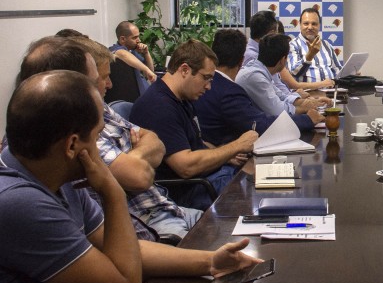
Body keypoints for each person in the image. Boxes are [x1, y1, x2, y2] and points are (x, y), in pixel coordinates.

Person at [0, 70, 263, 283]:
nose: (101, 146)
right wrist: (112, 191)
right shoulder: (20, 204)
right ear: (73, 145)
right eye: (99, 135)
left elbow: (128, 248)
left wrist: (209, 262)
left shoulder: (51, 173)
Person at [71, 37, 203, 239]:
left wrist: (132, 156)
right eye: (103, 77)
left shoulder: (103, 109)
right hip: (148, 221)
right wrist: (139, 157)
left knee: (226, 227)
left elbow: (155, 141)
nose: (110, 84)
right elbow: (139, 177)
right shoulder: (81, 132)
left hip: (166, 207)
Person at [129, 40, 258, 210]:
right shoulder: (159, 106)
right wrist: (236, 146)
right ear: (184, 70)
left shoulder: (180, 99)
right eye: (206, 78)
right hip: (191, 191)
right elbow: (186, 167)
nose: (209, 86)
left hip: (206, 180)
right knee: (264, 193)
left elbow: (195, 145)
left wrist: (224, 155)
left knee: (268, 181)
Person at [195, 29, 322, 146]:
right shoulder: (229, 91)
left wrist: (303, 104)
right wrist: (307, 120)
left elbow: (280, 96)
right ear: (241, 60)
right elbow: (260, 124)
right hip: (229, 160)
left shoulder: (207, 84)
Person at [237, 33, 331, 117]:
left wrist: (314, 102)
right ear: (283, 60)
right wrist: (305, 108)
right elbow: (278, 111)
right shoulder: (255, 77)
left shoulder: (260, 70)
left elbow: (281, 96)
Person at [287, 8, 343, 83]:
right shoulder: (293, 45)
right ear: (300, 25)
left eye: (314, 24)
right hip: (307, 93)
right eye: (306, 23)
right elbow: (294, 72)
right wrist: (310, 55)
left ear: (319, 25)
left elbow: (337, 70)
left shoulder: (326, 45)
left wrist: (349, 75)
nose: (310, 27)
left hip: (331, 91)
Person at [109, 21, 157, 91]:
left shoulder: (132, 51)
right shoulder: (114, 49)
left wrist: (146, 53)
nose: (139, 40)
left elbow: (151, 71)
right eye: (134, 38)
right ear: (123, 39)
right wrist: (146, 69)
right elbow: (122, 53)